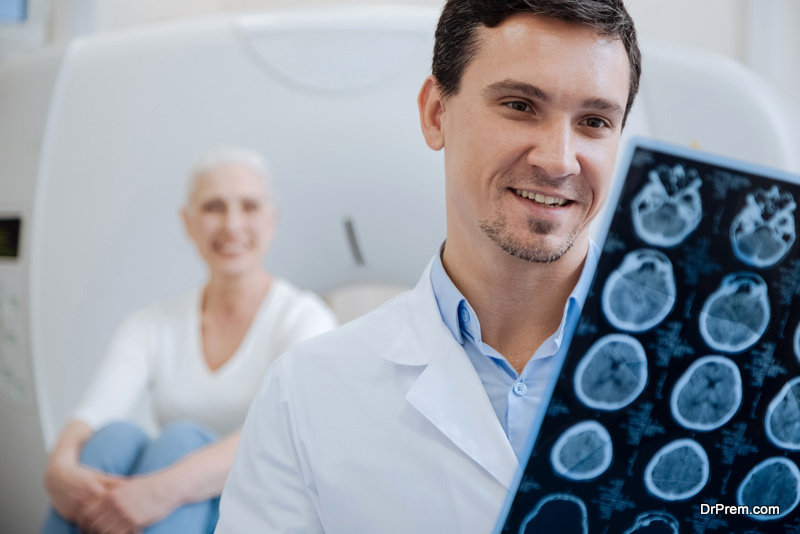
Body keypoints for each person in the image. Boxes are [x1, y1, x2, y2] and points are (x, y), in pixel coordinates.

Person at [216, 0, 641, 532]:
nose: (558, 159)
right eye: (519, 105)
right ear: (436, 113)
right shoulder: (302, 394)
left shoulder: (723, 372)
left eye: (594, 121)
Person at [41, 146, 338, 534]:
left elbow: (279, 437)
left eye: (249, 206)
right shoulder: (153, 324)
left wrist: (159, 491)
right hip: (169, 504)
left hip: (260, 507)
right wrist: (60, 466)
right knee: (113, 439)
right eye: (214, 207)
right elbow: (94, 413)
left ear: (272, 220)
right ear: (188, 221)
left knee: (182, 438)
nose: (232, 224)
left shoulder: (304, 318)